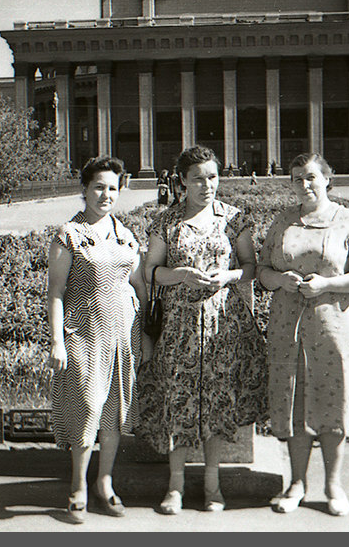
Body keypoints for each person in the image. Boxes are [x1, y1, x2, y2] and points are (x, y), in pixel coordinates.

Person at [134, 145, 268, 514]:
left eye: (212, 177)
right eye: (197, 179)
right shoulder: (167, 221)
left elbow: (249, 266)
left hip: (223, 322)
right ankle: (175, 486)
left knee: (216, 402)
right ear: (181, 182)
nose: (207, 185)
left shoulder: (233, 218)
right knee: (178, 399)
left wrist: (227, 275)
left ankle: (213, 485)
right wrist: (178, 275)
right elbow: (151, 270)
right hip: (179, 325)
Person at [257, 153, 349, 517]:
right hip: (288, 328)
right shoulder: (283, 221)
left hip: (334, 328)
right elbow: (262, 270)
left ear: (328, 179)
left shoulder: (347, 221)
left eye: (311, 177)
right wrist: (279, 280)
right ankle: (296, 483)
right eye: (296, 178)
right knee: (295, 404)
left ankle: (332, 485)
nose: (304, 184)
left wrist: (327, 283)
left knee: (333, 402)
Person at [47, 156, 146, 524]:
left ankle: (104, 483)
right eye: (99, 187)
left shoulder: (126, 234)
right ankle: (77, 485)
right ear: (84, 190)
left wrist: (145, 332)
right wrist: (57, 340)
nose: (106, 195)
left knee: (115, 412)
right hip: (84, 333)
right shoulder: (68, 235)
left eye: (113, 188)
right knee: (87, 407)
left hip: (123, 333)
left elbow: (138, 284)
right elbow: (55, 292)